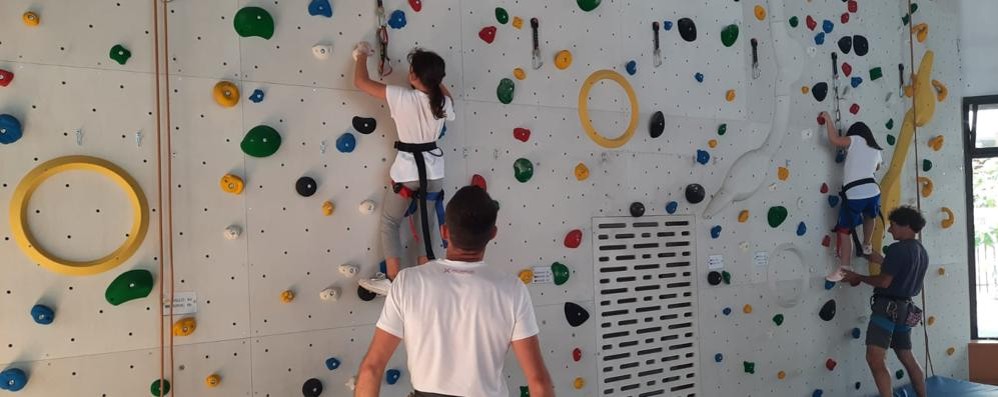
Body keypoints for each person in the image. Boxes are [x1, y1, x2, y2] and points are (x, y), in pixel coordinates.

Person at [355, 186, 555, 397]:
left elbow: (371, 369)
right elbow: (539, 383)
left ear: (444, 231)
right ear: (493, 233)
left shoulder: (408, 282)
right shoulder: (513, 290)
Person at [352, 42, 456, 295]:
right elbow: (449, 98)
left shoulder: (402, 96)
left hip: (408, 172)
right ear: (437, 79)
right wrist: (434, 83)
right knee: (425, 227)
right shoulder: (442, 103)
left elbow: (361, 82)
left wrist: (361, 54)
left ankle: (393, 280)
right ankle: (426, 280)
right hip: (434, 173)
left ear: (413, 76)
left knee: (390, 221)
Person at [842, 206, 928, 397]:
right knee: (907, 356)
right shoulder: (921, 251)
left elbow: (884, 281)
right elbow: (901, 271)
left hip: (887, 309)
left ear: (906, 226)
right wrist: (880, 260)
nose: (890, 230)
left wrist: (857, 276)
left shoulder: (898, 249)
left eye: (893, 226)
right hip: (906, 309)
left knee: (875, 359)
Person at [819, 112, 884, 281]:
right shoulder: (876, 149)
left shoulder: (855, 139)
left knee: (844, 230)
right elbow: (876, 169)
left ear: (855, 133)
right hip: (874, 191)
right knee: (871, 215)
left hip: (855, 193)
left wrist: (827, 119)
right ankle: (867, 245)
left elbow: (834, 139)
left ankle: (845, 268)